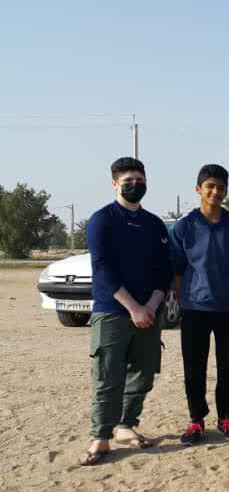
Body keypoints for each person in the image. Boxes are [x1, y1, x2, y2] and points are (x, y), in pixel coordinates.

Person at [80, 157, 171, 466]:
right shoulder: (102, 220)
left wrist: (151, 306)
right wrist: (133, 307)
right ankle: (100, 437)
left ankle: (126, 425)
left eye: (140, 180)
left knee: (142, 375)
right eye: (128, 180)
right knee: (107, 376)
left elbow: (164, 271)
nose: (135, 185)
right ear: (115, 184)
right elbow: (102, 269)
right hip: (113, 311)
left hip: (150, 311)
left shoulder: (155, 224)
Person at [170, 164, 229, 446]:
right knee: (194, 367)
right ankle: (196, 420)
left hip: (228, 309)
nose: (215, 192)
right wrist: (188, 300)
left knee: (228, 366)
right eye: (210, 187)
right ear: (199, 189)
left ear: (226, 190)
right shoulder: (184, 227)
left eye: (221, 187)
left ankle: (226, 417)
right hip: (194, 310)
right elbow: (178, 271)